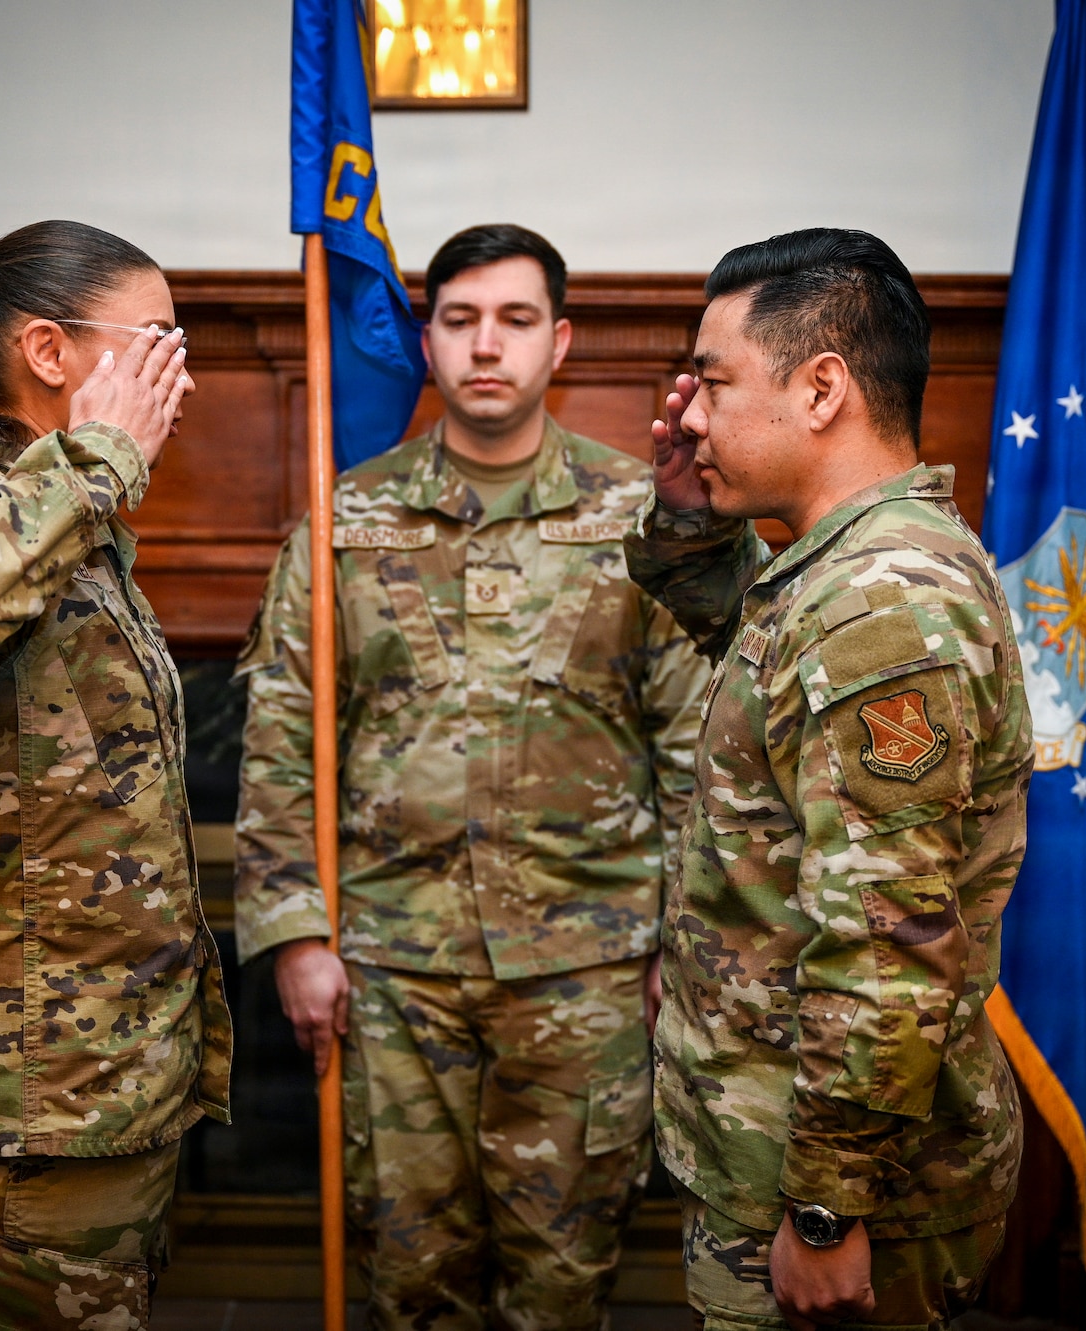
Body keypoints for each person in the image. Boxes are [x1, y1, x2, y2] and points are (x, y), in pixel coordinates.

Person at [234, 223, 712, 1329]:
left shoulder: (638, 518)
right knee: (409, 1281)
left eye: (512, 320)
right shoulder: (345, 520)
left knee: (563, 1280)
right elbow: (278, 736)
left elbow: (698, 749)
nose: (483, 347)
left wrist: (681, 950)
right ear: (426, 338)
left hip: (587, 972)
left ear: (560, 342)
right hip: (392, 972)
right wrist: (298, 934)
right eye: (457, 321)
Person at [627, 228, 1033, 1331]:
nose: (691, 413)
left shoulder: (879, 603)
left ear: (820, 388)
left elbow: (884, 937)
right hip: (781, 1141)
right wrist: (684, 511)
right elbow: (763, 674)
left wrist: (821, 1208)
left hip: (836, 1187)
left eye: (711, 382)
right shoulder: (839, 567)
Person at [0, 219, 230, 1331]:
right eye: (155, 339)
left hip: (88, 1090)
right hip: (12, 1105)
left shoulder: (67, 527)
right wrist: (104, 459)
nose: (182, 371)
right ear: (49, 351)